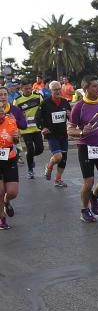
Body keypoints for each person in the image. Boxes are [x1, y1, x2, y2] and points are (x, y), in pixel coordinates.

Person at [67, 75, 98, 223]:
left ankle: (94, 195)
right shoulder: (79, 107)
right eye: (94, 86)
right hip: (86, 147)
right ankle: (84, 209)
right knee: (89, 182)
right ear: (86, 89)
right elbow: (70, 129)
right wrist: (81, 132)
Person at [38, 80, 71, 187]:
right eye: (54, 89)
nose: (57, 91)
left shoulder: (65, 102)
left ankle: (58, 179)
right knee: (58, 157)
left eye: (58, 89)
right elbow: (37, 118)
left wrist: (69, 115)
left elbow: (71, 117)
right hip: (51, 134)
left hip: (63, 133)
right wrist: (42, 128)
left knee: (63, 158)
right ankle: (49, 166)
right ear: (50, 90)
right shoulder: (45, 103)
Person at [0, 87, 25, 228]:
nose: (1, 115)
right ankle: (2, 218)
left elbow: (16, 140)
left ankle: (7, 201)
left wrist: (16, 138)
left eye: (2, 112)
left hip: (9, 157)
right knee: (0, 191)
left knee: (12, 192)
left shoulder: (10, 121)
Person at [14, 79, 44, 179]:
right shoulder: (17, 100)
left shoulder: (38, 96)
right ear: (21, 89)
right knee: (30, 147)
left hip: (37, 128)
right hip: (25, 130)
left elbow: (44, 110)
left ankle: (29, 156)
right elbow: (14, 115)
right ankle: (30, 169)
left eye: (29, 88)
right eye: (25, 89)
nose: (28, 90)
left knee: (40, 149)